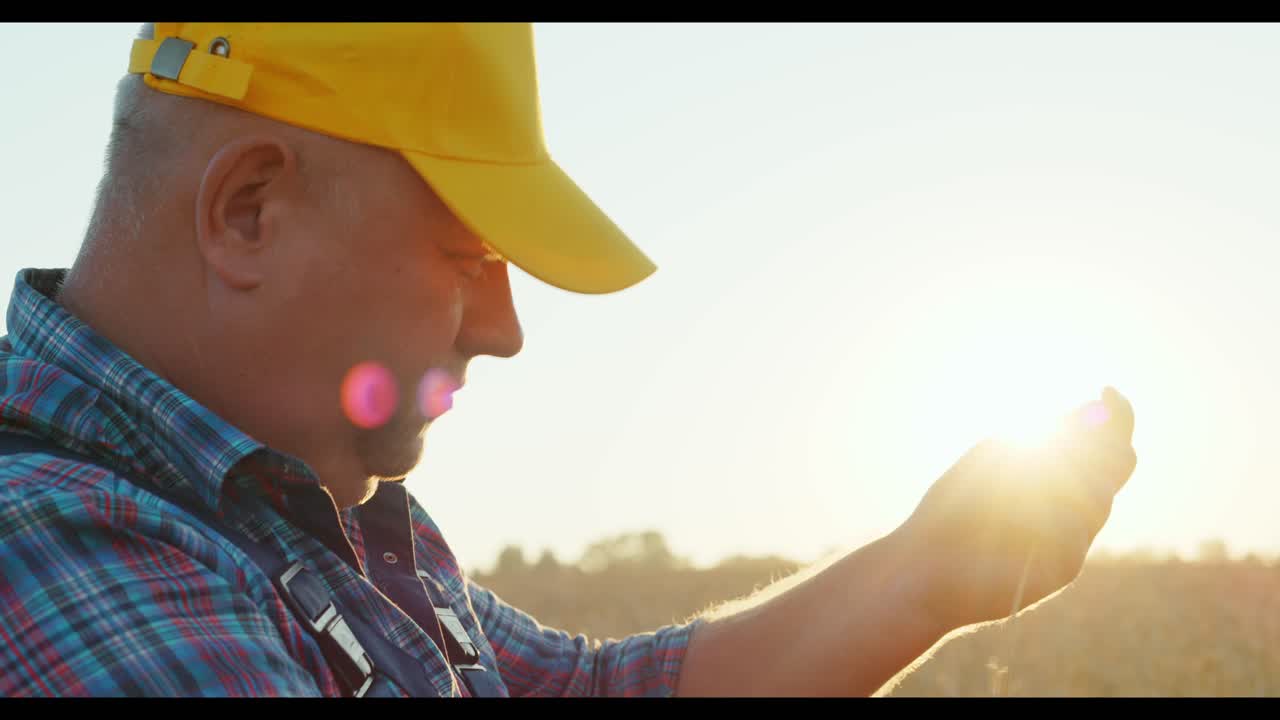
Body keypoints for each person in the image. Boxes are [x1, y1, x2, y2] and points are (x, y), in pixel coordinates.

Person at [0, 22, 1137, 698]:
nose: (501, 328)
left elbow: (590, 691)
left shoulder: (311, 510)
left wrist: (923, 575)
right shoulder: (57, 562)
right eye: (465, 253)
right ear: (249, 211)